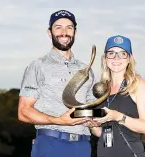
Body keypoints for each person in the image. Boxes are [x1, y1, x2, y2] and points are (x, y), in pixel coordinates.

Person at [18, 10, 95, 157]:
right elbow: (23, 111)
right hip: (51, 144)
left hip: (83, 146)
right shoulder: (38, 66)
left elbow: (90, 108)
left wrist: (95, 119)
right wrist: (59, 120)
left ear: (75, 32)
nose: (64, 32)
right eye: (58, 27)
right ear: (49, 33)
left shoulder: (86, 70)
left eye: (69, 27)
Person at [89, 35, 145, 157]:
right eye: (111, 53)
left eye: (122, 53)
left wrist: (118, 116)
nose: (116, 58)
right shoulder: (103, 89)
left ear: (129, 58)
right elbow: (106, 133)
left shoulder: (138, 84)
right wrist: (92, 126)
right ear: (104, 58)